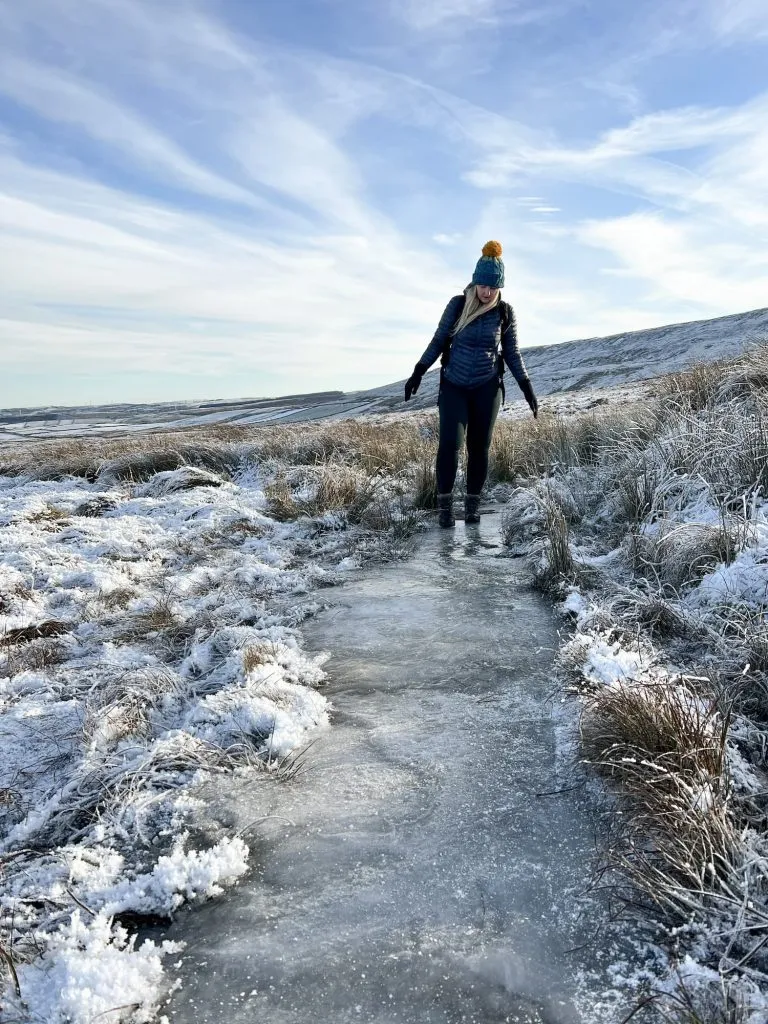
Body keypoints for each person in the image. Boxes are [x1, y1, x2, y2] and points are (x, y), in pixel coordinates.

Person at [403, 240, 539, 528]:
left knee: (480, 447)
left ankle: (473, 506)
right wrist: (418, 370)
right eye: (483, 286)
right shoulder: (457, 305)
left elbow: (512, 353)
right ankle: (445, 509)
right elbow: (439, 340)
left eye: (493, 287)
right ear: (475, 281)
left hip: (486, 387)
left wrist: (526, 387)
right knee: (450, 444)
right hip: (453, 386)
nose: (487, 292)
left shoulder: (504, 312)